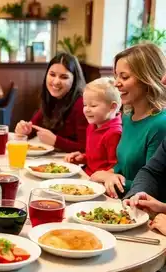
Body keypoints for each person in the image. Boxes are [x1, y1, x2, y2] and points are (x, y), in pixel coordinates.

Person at [90, 43, 166, 198]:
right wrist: (109, 173)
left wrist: (110, 178)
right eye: (116, 76)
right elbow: (123, 165)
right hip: (121, 199)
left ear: (147, 78)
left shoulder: (160, 124)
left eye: (124, 77)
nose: (116, 83)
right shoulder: (127, 116)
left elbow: (154, 183)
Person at [15, 52, 88, 153]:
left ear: (74, 80)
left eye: (64, 77)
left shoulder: (82, 104)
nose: (56, 81)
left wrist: (56, 141)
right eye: (52, 75)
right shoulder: (51, 97)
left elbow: (86, 148)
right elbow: (34, 127)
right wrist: (25, 131)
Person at [65, 77, 122, 176]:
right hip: (86, 173)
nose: (86, 109)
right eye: (85, 105)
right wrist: (83, 158)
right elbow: (98, 159)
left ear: (112, 107)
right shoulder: (92, 126)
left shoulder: (114, 133)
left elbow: (115, 167)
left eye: (93, 105)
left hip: (99, 182)